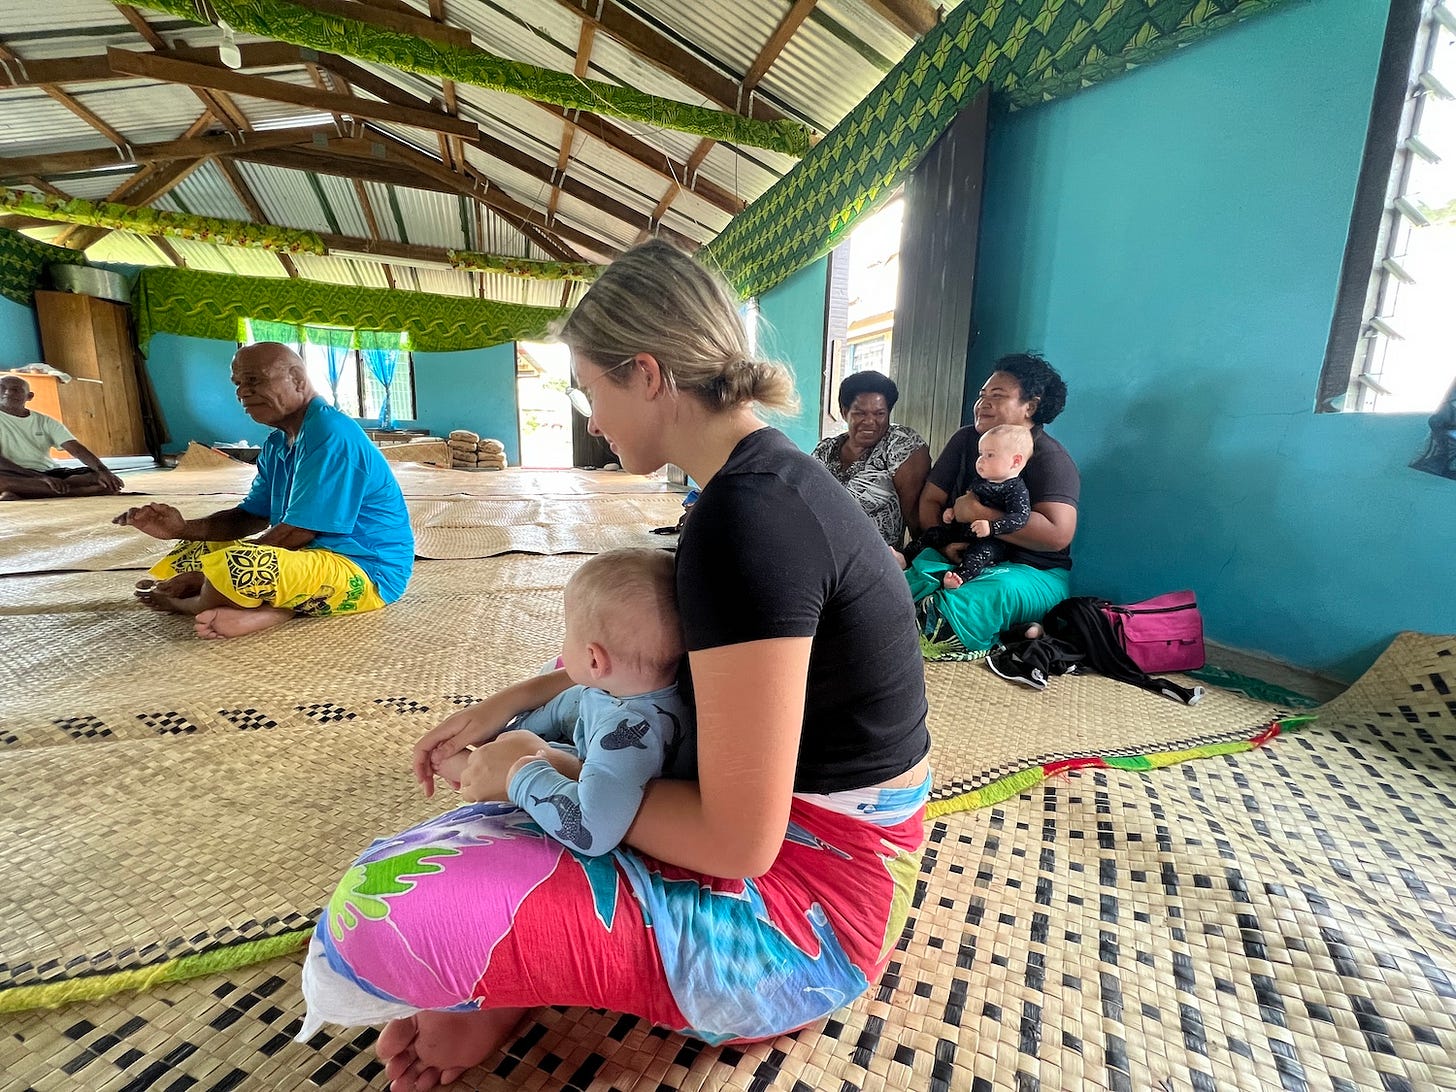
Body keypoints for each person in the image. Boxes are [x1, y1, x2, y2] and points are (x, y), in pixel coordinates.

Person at [299, 240, 932, 1092]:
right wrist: (521, 703)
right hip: (791, 830)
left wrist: (531, 771)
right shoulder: (753, 485)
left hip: (811, 911)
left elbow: (740, 844)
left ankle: (520, 973)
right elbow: (661, 669)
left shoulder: (749, 524)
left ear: (646, 373)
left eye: (590, 390)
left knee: (387, 903)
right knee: (518, 763)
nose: (592, 418)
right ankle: (526, 967)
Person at [113, 342, 413, 640]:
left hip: (363, 570)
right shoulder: (276, 445)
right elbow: (248, 517)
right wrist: (181, 528)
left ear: (297, 379)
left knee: (237, 565)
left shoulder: (331, 434)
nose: (242, 392)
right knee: (201, 548)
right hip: (307, 556)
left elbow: (297, 531)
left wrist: (206, 577)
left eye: (254, 380)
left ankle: (192, 604)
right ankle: (276, 608)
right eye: (238, 383)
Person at [430, 547, 692, 857]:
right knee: (556, 709)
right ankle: (481, 762)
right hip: (594, 757)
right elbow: (566, 707)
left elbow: (593, 832)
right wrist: (502, 735)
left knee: (533, 777)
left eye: (567, 632)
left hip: (615, 793)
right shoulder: (620, 688)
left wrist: (521, 773)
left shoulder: (628, 739)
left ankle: (473, 770)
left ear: (594, 659)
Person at [905, 353, 1079, 653]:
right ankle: (1015, 633)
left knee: (964, 605)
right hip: (959, 557)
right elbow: (931, 499)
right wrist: (944, 545)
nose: (982, 403)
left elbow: (1057, 533)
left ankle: (1007, 630)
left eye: (997, 396)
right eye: (982, 395)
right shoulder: (965, 441)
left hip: (1029, 572)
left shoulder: (1049, 458)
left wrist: (979, 513)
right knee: (891, 585)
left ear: (1031, 406)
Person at [906, 423, 1034, 590]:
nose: (981, 460)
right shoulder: (980, 481)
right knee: (933, 534)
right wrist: (951, 511)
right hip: (963, 532)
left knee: (980, 553)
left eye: (990, 455)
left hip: (993, 541)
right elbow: (965, 499)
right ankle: (905, 557)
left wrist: (992, 527)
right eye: (981, 454)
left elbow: (1020, 517)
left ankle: (961, 576)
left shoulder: (1015, 489)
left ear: (1015, 462)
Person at [810, 370, 930, 548]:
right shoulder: (825, 450)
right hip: (819, 553)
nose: (870, 421)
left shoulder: (900, 445)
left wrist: (916, 564)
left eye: (879, 414)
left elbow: (916, 519)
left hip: (873, 562)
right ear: (844, 412)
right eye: (860, 413)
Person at [0, 374, 126, 499]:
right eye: (2, 388)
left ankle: (27, 492)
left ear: (29, 396)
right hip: (13, 473)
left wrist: (104, 471)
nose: (8, 393)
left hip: (50, 472)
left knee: (98, 477)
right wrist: (40, 478)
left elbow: (76, 449)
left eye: (16, 389)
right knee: (2, 482)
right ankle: (81, 492)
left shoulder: (45, 421)